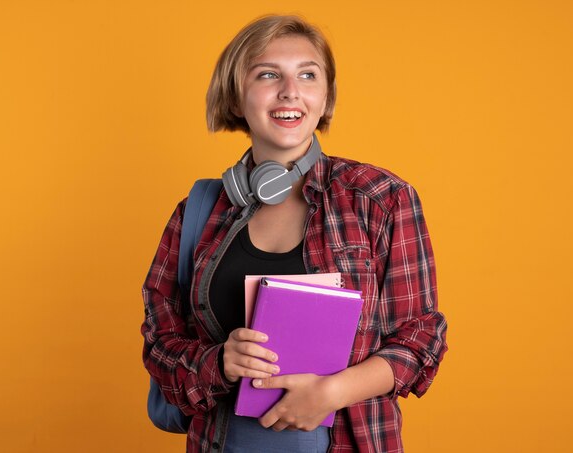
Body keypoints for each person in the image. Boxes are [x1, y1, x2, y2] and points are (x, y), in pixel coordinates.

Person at [142, 14, 448, 453]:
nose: (290, 91)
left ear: (325, 98)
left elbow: (422, 337)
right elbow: (159, 346)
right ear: (236, 96)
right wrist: (219, 362)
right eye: (268, 74)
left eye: (308, 74)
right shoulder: (197, 211)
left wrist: (333, 393)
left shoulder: (381, 198)